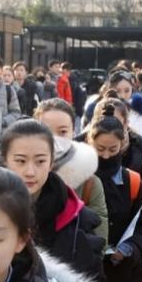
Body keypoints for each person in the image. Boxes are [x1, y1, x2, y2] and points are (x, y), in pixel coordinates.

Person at [0, 119, 105, 282]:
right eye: (20, 161)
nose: (30, 172)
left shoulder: (74, 219)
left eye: (40, 161)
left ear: (51, 163)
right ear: (5, 160)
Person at [86, 104, 142, 282]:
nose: (106, 156)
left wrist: (130, 249)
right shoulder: (79, 178)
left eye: (112, 149)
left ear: (123, 145)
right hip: (80, 272)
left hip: (116, 275)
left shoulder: (132, 181)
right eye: (100, 149)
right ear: (90, 143)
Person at [35, 98, 109, 246]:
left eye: (62, 132)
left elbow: (99, 240)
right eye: (46, 131)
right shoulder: (19, 177)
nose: (54, 139)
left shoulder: (89, 183)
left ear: (73, 133)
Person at [84, 96, 142, 207]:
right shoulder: (78, 156)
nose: (106, 155)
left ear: (126, 124)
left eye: (115, 122)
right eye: (102, 121)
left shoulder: (141, 155)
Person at [84, 68, 142, 148]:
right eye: (118, 91)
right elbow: (86, 138)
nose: (122, 95)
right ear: (110, 90)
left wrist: (136, 151)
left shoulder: (137, 113)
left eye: (127, 90)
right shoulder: (98, 110)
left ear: (132, 90)